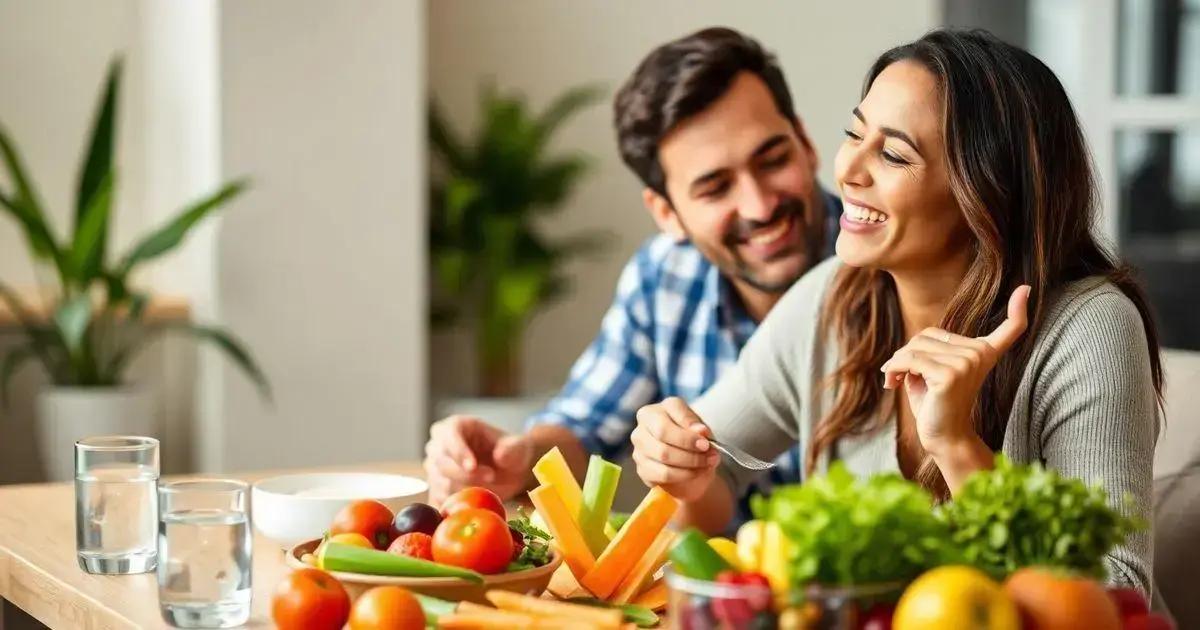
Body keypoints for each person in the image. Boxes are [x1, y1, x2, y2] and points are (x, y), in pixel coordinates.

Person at [630, 28, 1162, 595]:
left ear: (984, 192)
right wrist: (679, 466)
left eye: (892, 154)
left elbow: (1115, 595)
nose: (848, 172)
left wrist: (957, 446)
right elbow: (715, 481)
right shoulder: (831, 299)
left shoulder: (1090, 330)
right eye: (853, 135)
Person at [422, 27, 842, 518]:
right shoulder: (664, 277)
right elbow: (585, 425)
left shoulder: (893, 265)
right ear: (665, 212)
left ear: (806, 143)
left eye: (773, 160)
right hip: (713, 584)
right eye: (714, 188)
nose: (759, 204)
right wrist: (512, 460)